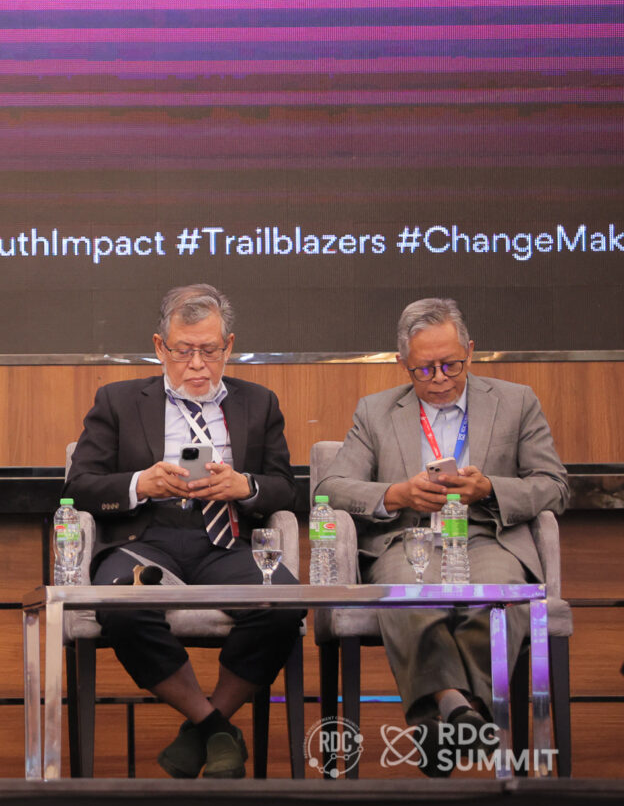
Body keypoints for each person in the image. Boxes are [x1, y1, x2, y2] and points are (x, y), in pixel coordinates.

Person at [317, 297, 568, 774]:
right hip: (407, 539)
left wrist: (489, 488)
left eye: (451, 365)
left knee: (501, 597)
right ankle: (459, 708)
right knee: (407, 596)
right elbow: (330, 488)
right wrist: (397, 494)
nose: (439, 379)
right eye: (424, 370)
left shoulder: (516, 401)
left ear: (471, 351)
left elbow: (554, 486)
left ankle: (442, 719)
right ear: (402, 363)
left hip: (487, 535)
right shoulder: (375, 411)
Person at [64, 284, 304, 779]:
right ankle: (214, 726)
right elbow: (80, 486)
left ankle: (206, 729)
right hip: (145, 541)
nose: (197, 364)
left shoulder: (258, 403)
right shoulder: (118, 401)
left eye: (209, 351)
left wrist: (244, 486)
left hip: (227, 542)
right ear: (160, 347)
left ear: (229, 347)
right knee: (123, 606)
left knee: (283, 603)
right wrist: (141, 483)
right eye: (183, 351)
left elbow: (285, 487)